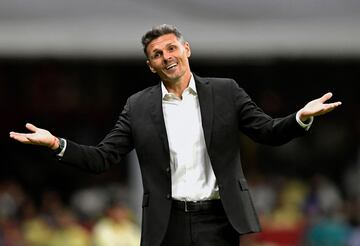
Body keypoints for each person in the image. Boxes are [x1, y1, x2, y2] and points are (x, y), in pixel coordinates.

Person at [9, 24, 342, 246]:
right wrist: (56, 144)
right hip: (167, 223)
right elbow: (102, 158)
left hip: (220, 219)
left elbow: (268, 132)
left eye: (171, 48)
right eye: (157, 54)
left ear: (186, 49)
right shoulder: (138, 106)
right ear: (150, 66)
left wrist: (300, 117)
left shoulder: (226, 92)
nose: (167, 57)